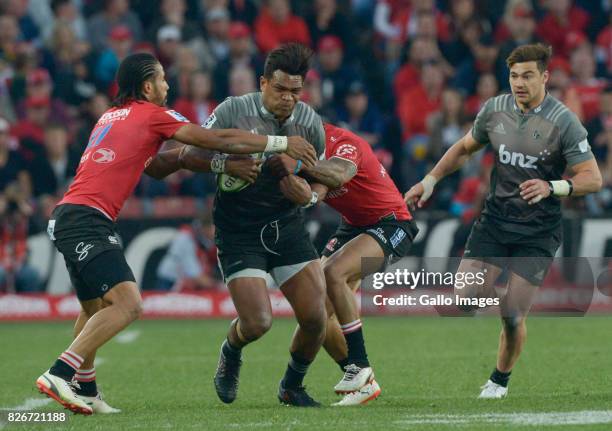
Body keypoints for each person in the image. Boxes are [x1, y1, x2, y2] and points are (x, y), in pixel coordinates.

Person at [35, 52, 317, 415]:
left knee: (94, 309)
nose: (168, 86)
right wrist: (279, 144)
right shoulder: (153, 114)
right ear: (148, 86)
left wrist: (219, 164)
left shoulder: (111, 115)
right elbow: (217, 138)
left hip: (69, 216)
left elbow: (152, 166)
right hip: (87, 219)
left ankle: (85, 386)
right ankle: (61, 371)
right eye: (164, 79)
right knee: (129, 304)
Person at [404, 43, 602, 399]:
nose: (519, 83)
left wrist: (552, 185)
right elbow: (465, 148)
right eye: (514, 75)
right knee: (464, 298)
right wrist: (429, 181)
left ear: (545, 77)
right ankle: (503, 291)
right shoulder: (495, 110)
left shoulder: (563, 121)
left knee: (512, 317)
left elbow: (593, 177)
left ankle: (498, 380)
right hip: (495, 221)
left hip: (538, 231)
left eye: (528, 75)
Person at [184, 43, 327, 407]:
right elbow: (191, 153)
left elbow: (321, 173)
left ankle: (292, 386)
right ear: (263, 82)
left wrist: (309, 193)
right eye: (280, 89)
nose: (288, 98)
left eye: (295, 91)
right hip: (239, 230)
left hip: (286, 225)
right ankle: (232, 349)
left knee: (315, 318)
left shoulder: (310, 122)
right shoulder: (233, 109)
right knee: (258, 323)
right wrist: (225, 164)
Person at [267, 123, 418, 405]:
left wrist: (296, 163)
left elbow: (339, 174)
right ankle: (293, 385)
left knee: (332, 272)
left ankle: (359, 366)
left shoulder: (345, 142)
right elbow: (316, 193)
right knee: (315, 313)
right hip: (353, 227)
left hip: (391, 222)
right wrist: (295, 186)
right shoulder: (301, 151)